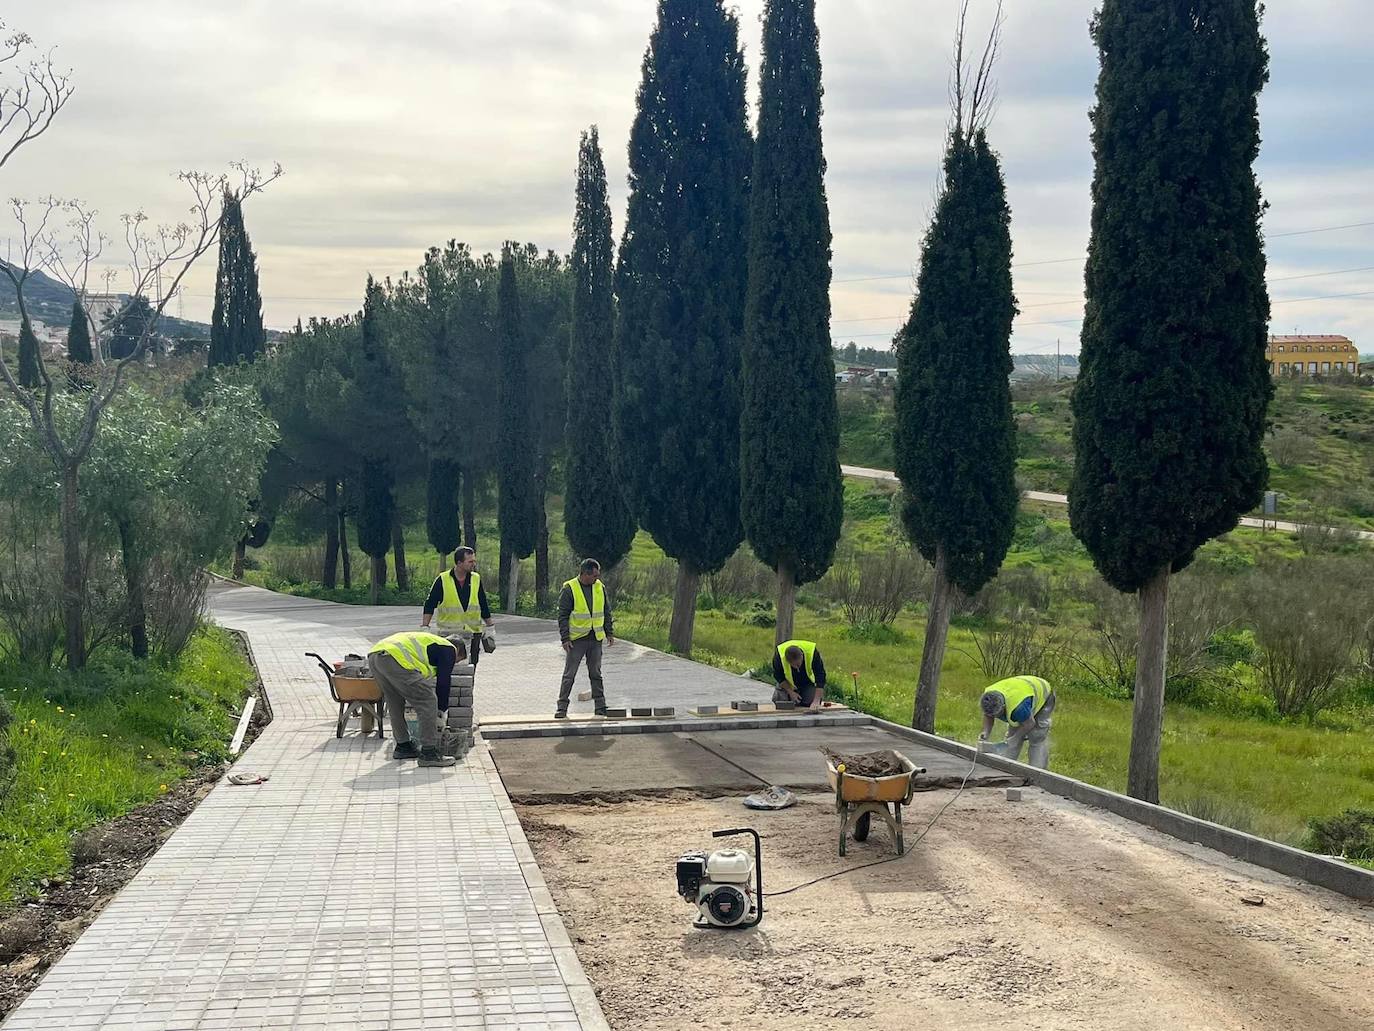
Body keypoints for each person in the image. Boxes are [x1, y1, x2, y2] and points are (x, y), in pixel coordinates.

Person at [368, 629, 467, 767]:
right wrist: (442, 711)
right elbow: (443, 682)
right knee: (428, 700)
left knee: (394, 701)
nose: (453, 664)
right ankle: (429, 752)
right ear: (458, 651)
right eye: (457, 661)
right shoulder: (449, 648)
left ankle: (403, 746)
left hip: (376, 656)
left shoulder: (432, 643)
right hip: (394, 657)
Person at [555, 558, 615, 718]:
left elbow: (606, 610)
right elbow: (563, 616)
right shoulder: (570, 588)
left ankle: (600, 706)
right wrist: (565, 638)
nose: (597, 578)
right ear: (585, 574)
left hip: (595, 638)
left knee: (596, 673)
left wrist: (609, 632)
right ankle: (561, 707)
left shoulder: (599, 587)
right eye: (594, 575)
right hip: (577, 639)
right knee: (569, 674)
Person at [421, 546, 495, 666]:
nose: (473, 564)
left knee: (471, 666)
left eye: (474, 561)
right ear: (459, 562)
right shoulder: (442, 579)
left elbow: (483, 604)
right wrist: (425, 627)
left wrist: (490, 627)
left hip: (473, 633)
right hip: (449, 634)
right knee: (448, 666)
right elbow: (430, 604)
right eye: (470, 561)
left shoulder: (476, 579)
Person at [978, 675, 1055, 769]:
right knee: (1013, 734)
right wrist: (986, 732)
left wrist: (1016, 738)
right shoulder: (988, 697)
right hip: (1020, 689)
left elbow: (1030, 723)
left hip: (1043, 693)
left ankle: (1038, 771)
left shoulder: (1019, 707)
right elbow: (988, 715)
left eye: (996, 714)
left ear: (1003, 706)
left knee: (1036, 736)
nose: (994, 717)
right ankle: (1006, 766)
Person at [772, 640, 826, 713]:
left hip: (806, 682)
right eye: (794, 665)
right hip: (788, 683)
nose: (797, 668)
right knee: (779, 700)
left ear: (802, 655)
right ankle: (793, 698)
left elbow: (820, 676)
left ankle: (801, 697)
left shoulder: (812, 652)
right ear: (788, 661)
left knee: (811, 701)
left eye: (798, 664)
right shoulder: (779, 657)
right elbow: (779, 676)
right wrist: (791, 692)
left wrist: (816, 701)